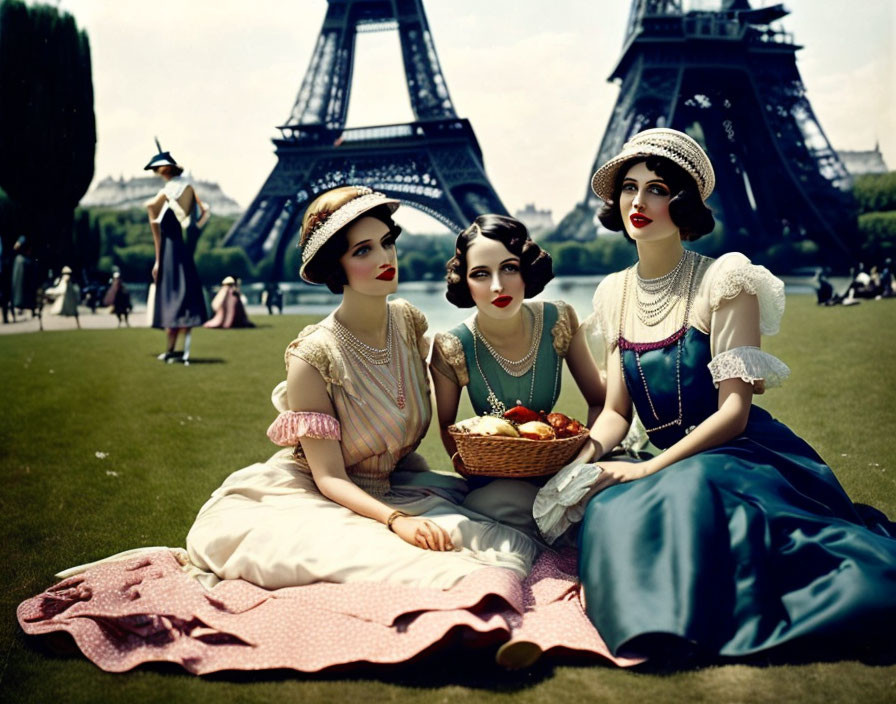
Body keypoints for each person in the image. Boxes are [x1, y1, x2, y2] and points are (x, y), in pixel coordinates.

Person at [533, 128, 896, 662]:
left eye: (657, 188)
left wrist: (648, 470)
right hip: (668, 458)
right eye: (629, 188)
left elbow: (734, 411)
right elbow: (614, 411)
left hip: (735, 452)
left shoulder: (726, 280)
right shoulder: (614, 291)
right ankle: (651, 627)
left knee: (676, 493)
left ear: (683, 202)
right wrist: (582, 461)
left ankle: (679, 628)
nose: (639, 202)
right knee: (610, 506)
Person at [186, 185, 538, 589]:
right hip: (320, 499)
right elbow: (330, 478)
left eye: (386, 242)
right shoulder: (313, 357)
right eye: (362, 251)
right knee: (409, 566)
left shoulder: (407, 323)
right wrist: (395, 521)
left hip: (397, 487)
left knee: (501, 539)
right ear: (337, 267)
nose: (384, 258)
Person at [430, 214, 604, 538]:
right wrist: (471, 465)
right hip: (496, 481)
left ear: (526, 269)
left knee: (609, 499)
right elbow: (446, 428)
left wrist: (580, 464)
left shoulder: (559, 319)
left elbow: (598, 400)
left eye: (509, 268)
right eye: (481, 274)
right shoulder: (452, 345)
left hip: (566, 467)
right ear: (465, 282)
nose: (498, 286)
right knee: (502, 505)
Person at [144, 140, 210, 363]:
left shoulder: (169, 191)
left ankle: (174, 349)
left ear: (164, 170)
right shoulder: (187, 188)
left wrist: (157, 258)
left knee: (171, 300)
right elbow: (204, 214)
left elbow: (150, 209)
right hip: (180, 250)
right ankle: (176, 349)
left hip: (169, 251)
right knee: (182, 300)